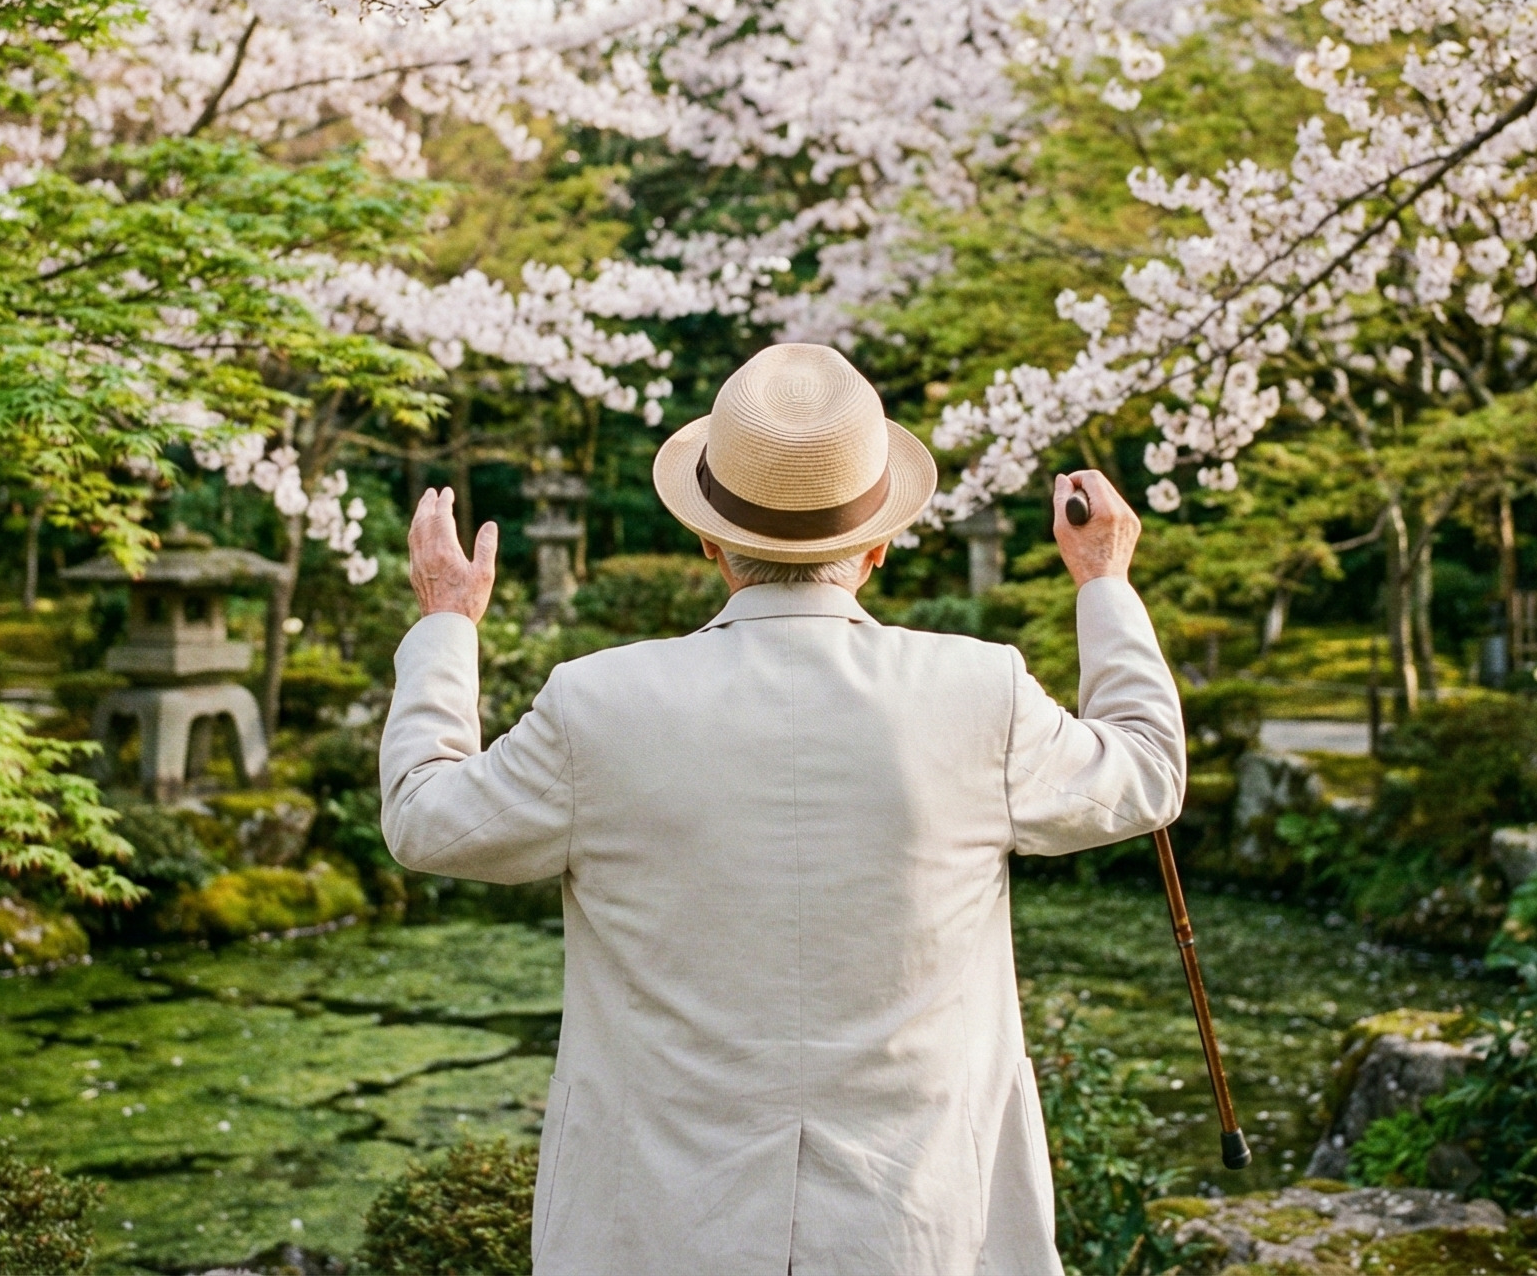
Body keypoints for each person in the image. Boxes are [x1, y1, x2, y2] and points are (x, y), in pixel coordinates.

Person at [381, 342, 1186, 1275]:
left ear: (710, 544)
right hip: (917, 1222)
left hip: (660, 1229)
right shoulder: (979, 690)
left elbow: (425, 816)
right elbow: (1149, 770)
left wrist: (446, 620)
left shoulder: (598, 703)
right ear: (876, 548)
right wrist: (1106, 583)